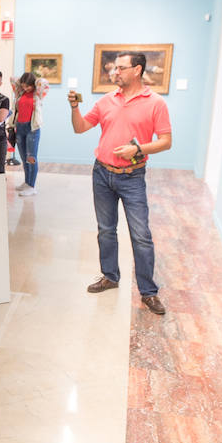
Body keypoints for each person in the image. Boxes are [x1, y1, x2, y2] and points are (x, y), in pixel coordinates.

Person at [68, 51, 171, 315]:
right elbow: (80, 128)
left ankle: (148, 292)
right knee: (106, 230)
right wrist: (74, 107)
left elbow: (165, 141)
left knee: (142, 236)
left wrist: (138, 149)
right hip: (102, 174)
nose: (116, 72)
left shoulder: (155, 102)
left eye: (121, 68)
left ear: (137, 70)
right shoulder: (106, 100)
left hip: (133, 177)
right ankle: (110, 277)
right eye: (115, 68)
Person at [7, 73, 49, 197]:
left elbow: (44, 82)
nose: (26, 89)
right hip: (19, 128)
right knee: (24, 158)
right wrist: (23, 83)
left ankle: (32, 186)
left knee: (31, 158)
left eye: (28, 86)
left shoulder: (38, 95)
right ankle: (27, 182)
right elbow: (12, 78)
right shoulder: (20, 93)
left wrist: (34, 82)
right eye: (24, 86)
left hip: (32, 129)